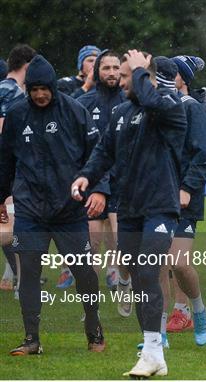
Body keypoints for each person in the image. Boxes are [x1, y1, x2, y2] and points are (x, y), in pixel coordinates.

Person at [72, 50, 188, 377]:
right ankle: (153, 352)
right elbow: (104, 152)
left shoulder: (169, 107)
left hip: (160, 207)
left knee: (149, 273)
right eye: (122, 76)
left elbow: (152, 102)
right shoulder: (122, 112)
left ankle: (152, 352)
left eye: (128, 76)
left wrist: (139, 71)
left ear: (145, 78)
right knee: (139, 278)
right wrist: (87, 175)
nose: (122, 82)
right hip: (130, 209)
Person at [0, 54, 107, 355]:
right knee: (29, 272)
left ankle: (94, 330)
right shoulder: (18, 115)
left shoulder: (75, 112)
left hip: (69, 209)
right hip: (30, 210)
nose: (39, 94)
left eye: (44, 88)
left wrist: (99, 190)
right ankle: (31, 338)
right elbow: (6, 161)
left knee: (85, 273)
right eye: (34, 89)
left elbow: (96, 157)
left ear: (53, 87)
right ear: (28, 90)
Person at [153, 55, 206, 346]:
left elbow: (203, 155)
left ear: (182, 79)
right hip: (156, 195)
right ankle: (159, 332)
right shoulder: (157, 107)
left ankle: (198, 309)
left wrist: (187, 187)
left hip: (184, 198)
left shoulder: (194, 110)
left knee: (178, 262)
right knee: (158, 264)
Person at [77, 50, 129, 301]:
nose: (111, 72)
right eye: (106, 68)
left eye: (115, 67)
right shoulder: (85, 103)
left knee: (122, 245)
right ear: (96, 71)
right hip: (94, 182)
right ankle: (91, 301)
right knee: (91, 246)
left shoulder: (130, 102)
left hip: (123, 183)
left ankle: (123, 283)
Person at [0, 44, 36, 292]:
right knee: (16, 229)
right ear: (28, 66)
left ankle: (20, 283)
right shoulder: (14, 94)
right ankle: (24, 286)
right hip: (9, 171)